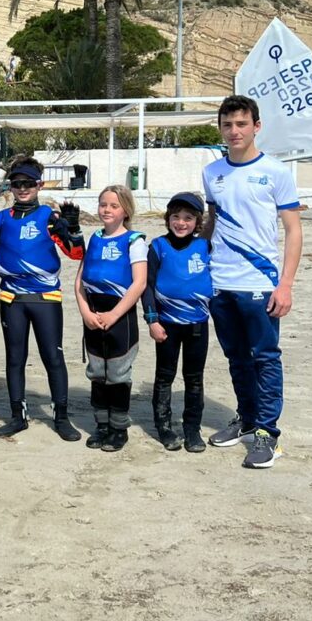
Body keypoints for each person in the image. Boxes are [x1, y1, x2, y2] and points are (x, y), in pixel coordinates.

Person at [202, 95, 303, 470]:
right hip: (220, 284)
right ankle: (246, 419)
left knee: (264, 358)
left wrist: (286, 284)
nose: (234, 131)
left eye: (241, 124)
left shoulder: (276, 172)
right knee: (236, 358)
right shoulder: (212, 173)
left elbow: (293, 231)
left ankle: (267, 434)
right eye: (228, 125)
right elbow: (213, 223)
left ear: (256, 126)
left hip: (260, 283)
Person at [0, 156, 84, 440]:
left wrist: (73, 229)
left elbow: (76, 254)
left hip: (46, 297)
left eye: (28, 183)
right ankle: (17, 417)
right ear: (10, 187)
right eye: (17, 184)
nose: (23, 188)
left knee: (53, 357)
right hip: (12, 298)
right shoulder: (0, 219)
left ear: (38, 185)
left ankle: (61, 418)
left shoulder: (49, 217)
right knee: (15, 358)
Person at [74, 185, 148, 452]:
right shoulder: (94, 237)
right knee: (96, 373)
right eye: (103, 204)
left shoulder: (134, 241)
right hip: (93, 315)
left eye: (114, 205)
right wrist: (85, 312)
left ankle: (118, 428)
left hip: (120, 317)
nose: (107, 209)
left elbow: (139, 284)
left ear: (125, 210)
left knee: (117, 374)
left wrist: (114, 315)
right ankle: (101, 425)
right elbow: (79, 281)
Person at [141, 192, 212, 454]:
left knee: (194, 379)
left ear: (197, 222)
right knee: (164, 377)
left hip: (197, 325)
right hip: (167, 325)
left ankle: (192, 429)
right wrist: (152, 320)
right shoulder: (158, 246)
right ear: (168, 219)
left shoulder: (205, 246)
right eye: (176, 217)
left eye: (188, 218)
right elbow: (146, 286)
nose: (181, 223)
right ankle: (164, 427)